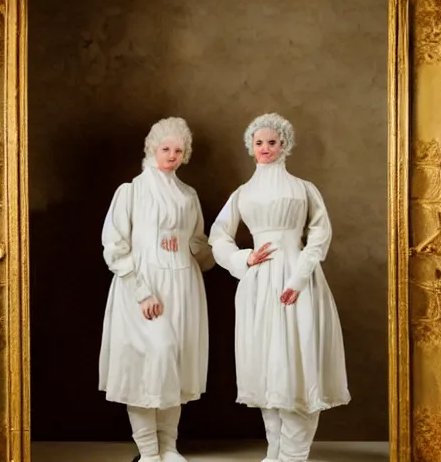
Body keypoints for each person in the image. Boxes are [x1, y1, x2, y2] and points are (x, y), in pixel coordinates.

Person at [209, 113, 350, 462]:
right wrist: (244, 259)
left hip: (297, 280)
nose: (265, 148)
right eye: (258, 143)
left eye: (272, 142)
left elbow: (320, 232)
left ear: (284, 144)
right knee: (267, 365)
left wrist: (300, 276)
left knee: (299, 364)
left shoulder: (304, 189)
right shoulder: (243, 193)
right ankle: (274, 453)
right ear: (250, 147)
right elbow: (218, 236)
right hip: (259, 285)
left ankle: (294, 455)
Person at [99, 117, 214, 462]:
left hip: (183, 286)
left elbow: (198, 243)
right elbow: (115, 244)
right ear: (152, 148)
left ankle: (168, 447)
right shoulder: (131, 192)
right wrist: (141, 291)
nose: (172, 155)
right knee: (148, 362)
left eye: (179, 150)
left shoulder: (188, 196)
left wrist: (239, 258)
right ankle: (148, 450)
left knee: (174, 364)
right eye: (166, 148)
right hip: (143, 286)